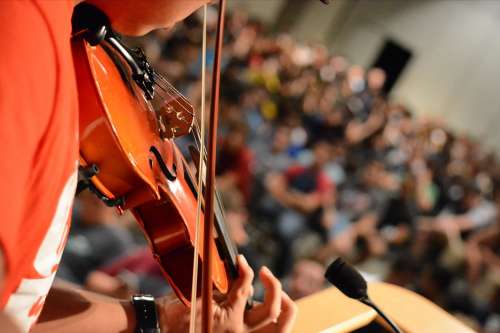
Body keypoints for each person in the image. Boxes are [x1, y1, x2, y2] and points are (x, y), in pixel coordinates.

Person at [0, 1, 296, 332]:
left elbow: (16, 303)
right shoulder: (23, 32)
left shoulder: (53, 36)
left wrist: (161, 321)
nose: (205, 7)